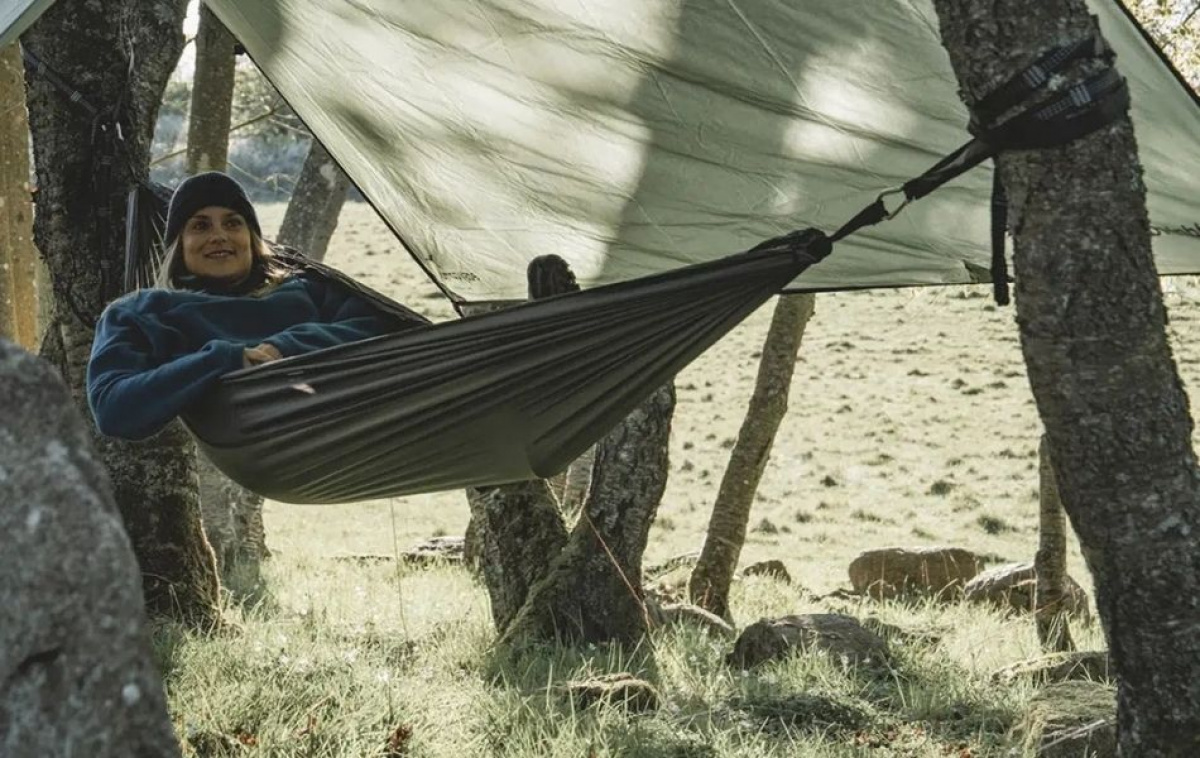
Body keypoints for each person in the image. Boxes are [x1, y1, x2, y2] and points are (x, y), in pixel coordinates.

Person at [87, 171, 401, 441]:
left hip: (341, 428)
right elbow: (112, 410)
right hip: (257, 448)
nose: (219, 236)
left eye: (233, 223)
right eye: (200, 226)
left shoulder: (307, 288)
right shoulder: (143, 312)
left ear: (251, 239)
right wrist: (222, 360)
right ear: (178, 246)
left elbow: (385, 329)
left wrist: (284, 348)